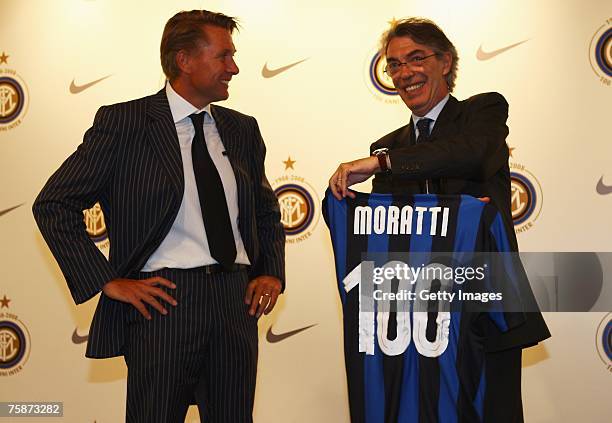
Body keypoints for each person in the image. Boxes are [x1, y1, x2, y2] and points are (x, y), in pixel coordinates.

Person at [33, 10, 285, 423]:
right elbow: (54, 204)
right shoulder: (125, 123)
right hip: (165, 303)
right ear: (184, 60)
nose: (234, 68)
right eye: (223, 56)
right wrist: (107, 281)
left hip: (234, 302)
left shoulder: (242, 129)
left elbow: (264, 210)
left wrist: (270, 270)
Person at [329, 17, 549, 422]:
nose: (404, 73)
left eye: (416, 58)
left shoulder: (483, 112)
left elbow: (467, 154)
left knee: (491, 410)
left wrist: (384, 163)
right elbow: (387, 236)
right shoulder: (387, 145)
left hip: (486, 301)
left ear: (445, 62)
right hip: (419, 316)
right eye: (394, 64)